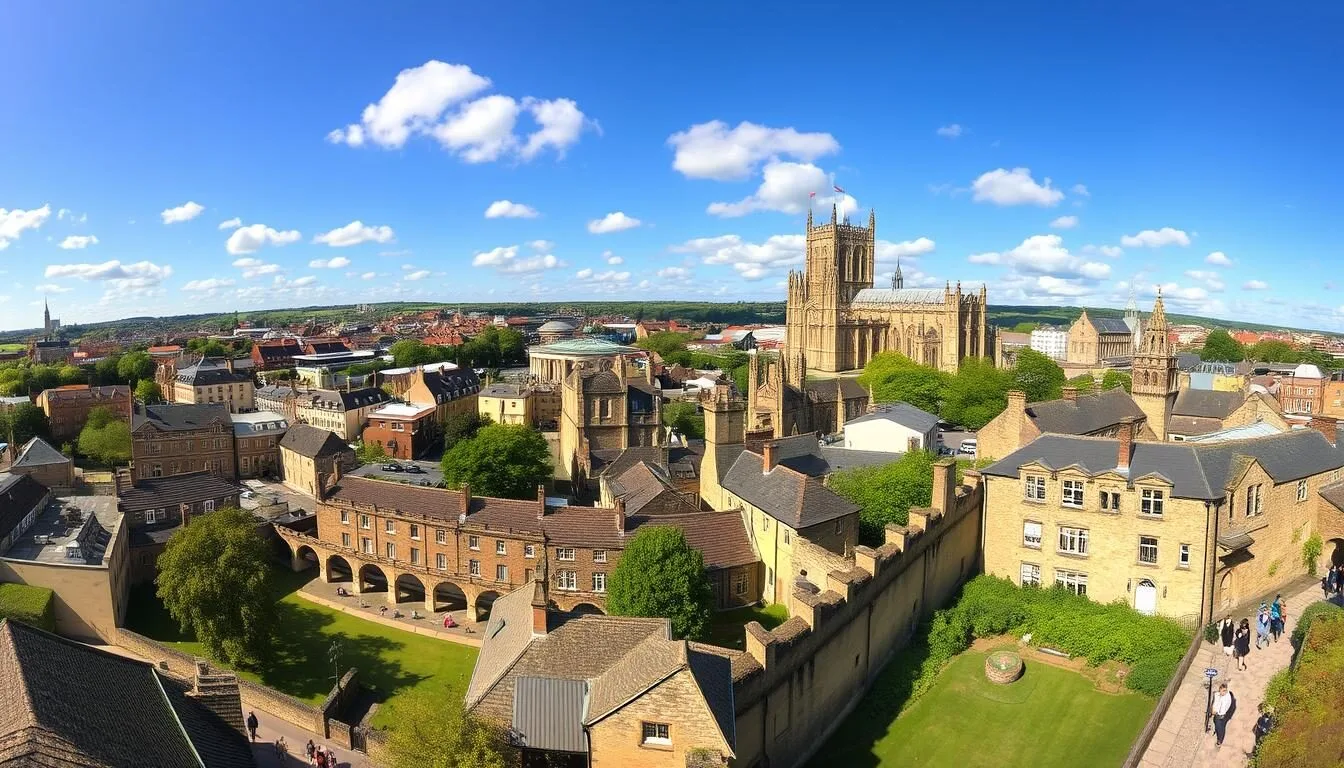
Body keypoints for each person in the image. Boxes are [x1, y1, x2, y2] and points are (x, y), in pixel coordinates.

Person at [1211, 683, 1233, 747]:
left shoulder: (1224, 700)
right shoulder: (1227, 693)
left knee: (1220, 728)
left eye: (1220, 691)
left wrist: (1213, 712)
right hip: (1225, 715)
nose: (1220, 692)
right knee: (1221, 726)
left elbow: (1221, 712)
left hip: (1220, 717)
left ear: (1223, 690)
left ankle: (1219, 741)